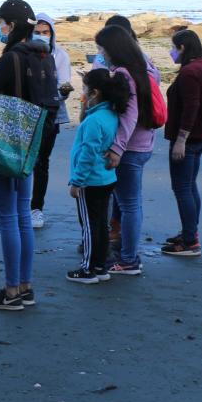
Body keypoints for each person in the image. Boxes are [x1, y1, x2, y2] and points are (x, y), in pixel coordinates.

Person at [0, 0, 56, 312]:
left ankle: (10, 291)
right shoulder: (43, 55)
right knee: (22, 214)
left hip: (8, 142)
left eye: (2, 23)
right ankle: (25, 285)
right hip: (31, 145)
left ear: (12, 25)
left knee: (8, 217)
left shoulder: (12, 58)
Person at [94, 24, 160, 276]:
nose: (101, 53)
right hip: (144, 144)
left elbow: (129, 115)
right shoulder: (144, 67)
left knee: (129, 204)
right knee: (131, 203)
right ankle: (128, 253)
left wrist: (117, 148)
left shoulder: (124, 73)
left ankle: (129, 259)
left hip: (131, 148)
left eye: (102, 48)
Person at [162, 29, 202, 257]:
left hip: (188, 140)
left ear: (182, 48)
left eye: (173, 47)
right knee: (190, 186)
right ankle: (190, 232)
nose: (171, 51)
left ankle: (190, 241)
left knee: (182, 188)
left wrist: (181, 139)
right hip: (201, 137)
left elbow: (192, 107)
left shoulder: (190, 72)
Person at [65, 68, 129, 283]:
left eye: (84, 89)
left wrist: (77, 181)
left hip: (90, 180)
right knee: (101, 224)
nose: (81, 93)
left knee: (90, 226)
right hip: (106, 179)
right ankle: (100, 266)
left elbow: (88, 153)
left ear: (94, 93)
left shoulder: (94, 121)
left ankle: (88, 269)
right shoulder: (110, 114)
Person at [30, 13, 73, 229]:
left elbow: (63, 88)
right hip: (26, 114)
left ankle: (36, 208)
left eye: (45, 32)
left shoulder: (61, 56)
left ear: (52, 33)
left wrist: (62, 91)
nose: (41, 36)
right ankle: (17, 206)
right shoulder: (24, 54)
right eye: (37, 32)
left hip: (50, 116)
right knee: (20, 160)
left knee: (41, 162)